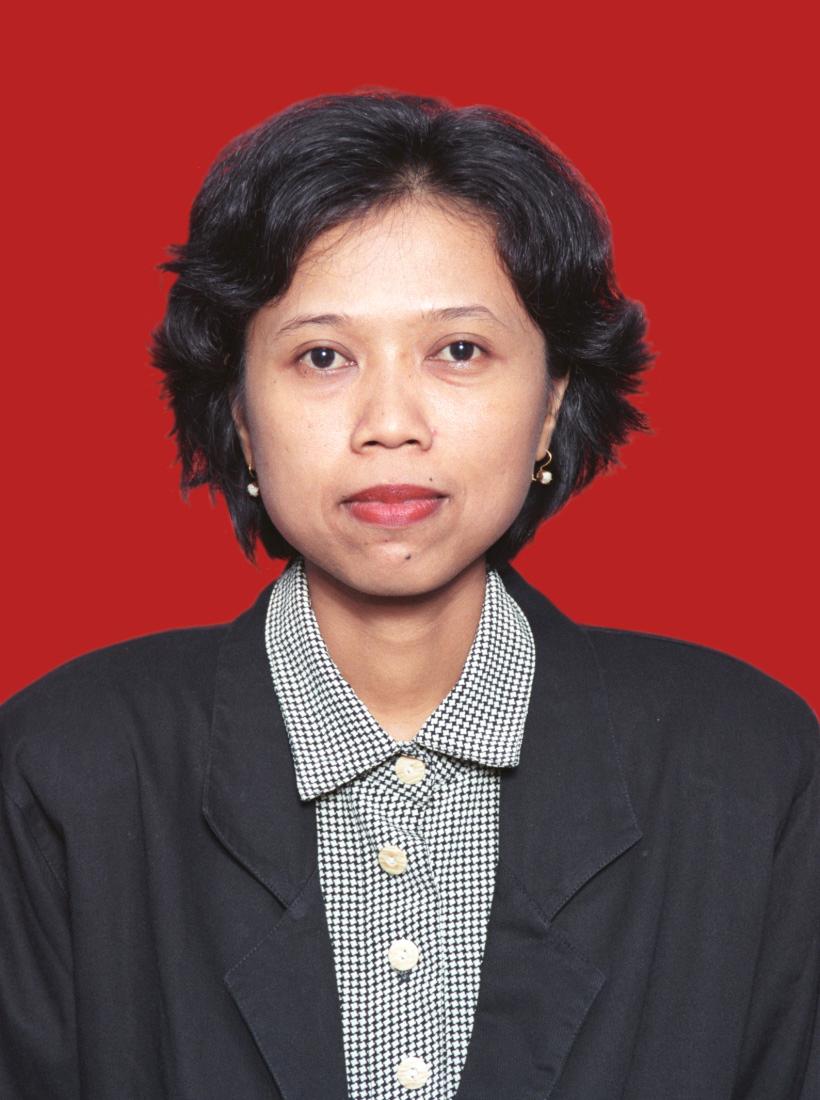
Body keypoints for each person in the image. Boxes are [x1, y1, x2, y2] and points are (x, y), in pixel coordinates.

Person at [0, 91, 817, 1100]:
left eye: (458, 351)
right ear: (242, 415)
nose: (390, 421)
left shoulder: (749, 768)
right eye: (322, 356)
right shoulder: (62, 768)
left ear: (552, 400)